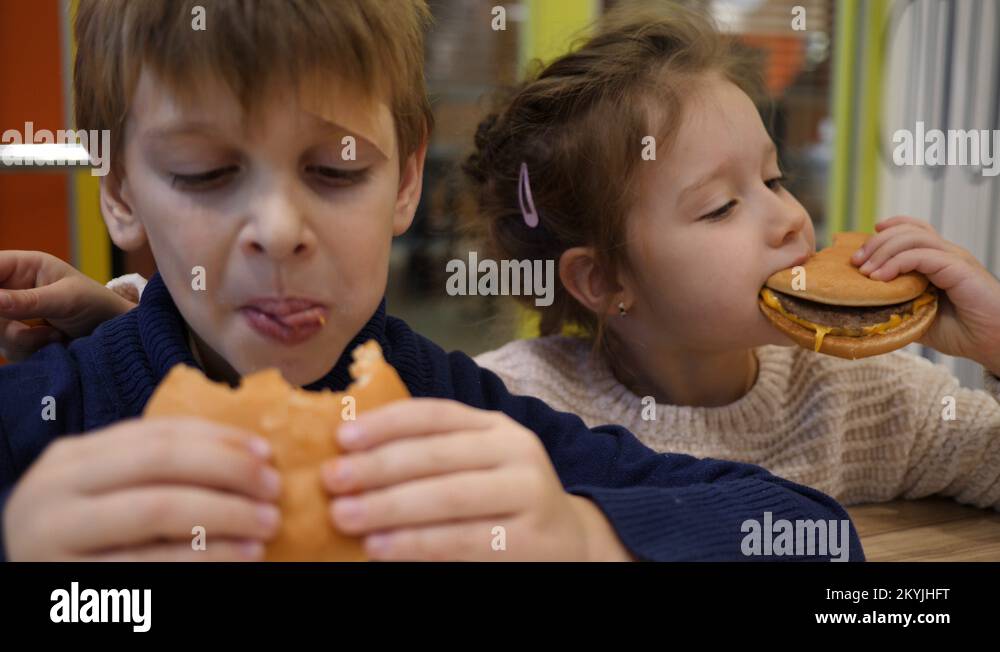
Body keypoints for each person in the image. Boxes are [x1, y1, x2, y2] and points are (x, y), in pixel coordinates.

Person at [0, 0, 863, 562]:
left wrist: (582, 536)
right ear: (120, 191)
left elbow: (809, 535)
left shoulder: (445, 408)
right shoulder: (44, 418)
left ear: (407, 180)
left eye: (335, 172)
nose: (279, 232)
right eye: (204, 172)